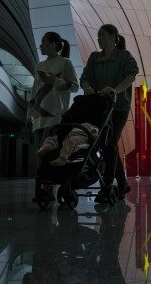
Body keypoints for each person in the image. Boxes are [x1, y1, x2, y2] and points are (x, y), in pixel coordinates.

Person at [80, 24, 139, 203]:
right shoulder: (94, 57)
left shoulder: (124, 56)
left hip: (118, 106)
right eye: (98, 36)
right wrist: (87, 88)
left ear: (114, 37)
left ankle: (107, 184)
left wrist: (115, 90)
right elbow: (84, 78)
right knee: (105, 144)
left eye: (102, 36)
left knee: (110, 142)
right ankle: (122, 183)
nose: (98, 39)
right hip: (99, 106)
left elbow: (131, 76)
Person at [28, 32, 79, 199]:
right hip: (38, 117)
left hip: (56, 115)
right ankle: (43, 189)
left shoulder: (65, 63)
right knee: (39, 154)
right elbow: (34, 90)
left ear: (52, 44)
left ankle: (48, 190)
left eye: (43, 42)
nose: (41, 46)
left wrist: (55, 81)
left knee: (49, 152)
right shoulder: (39, 65)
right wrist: (29, 113)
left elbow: (74, 86)